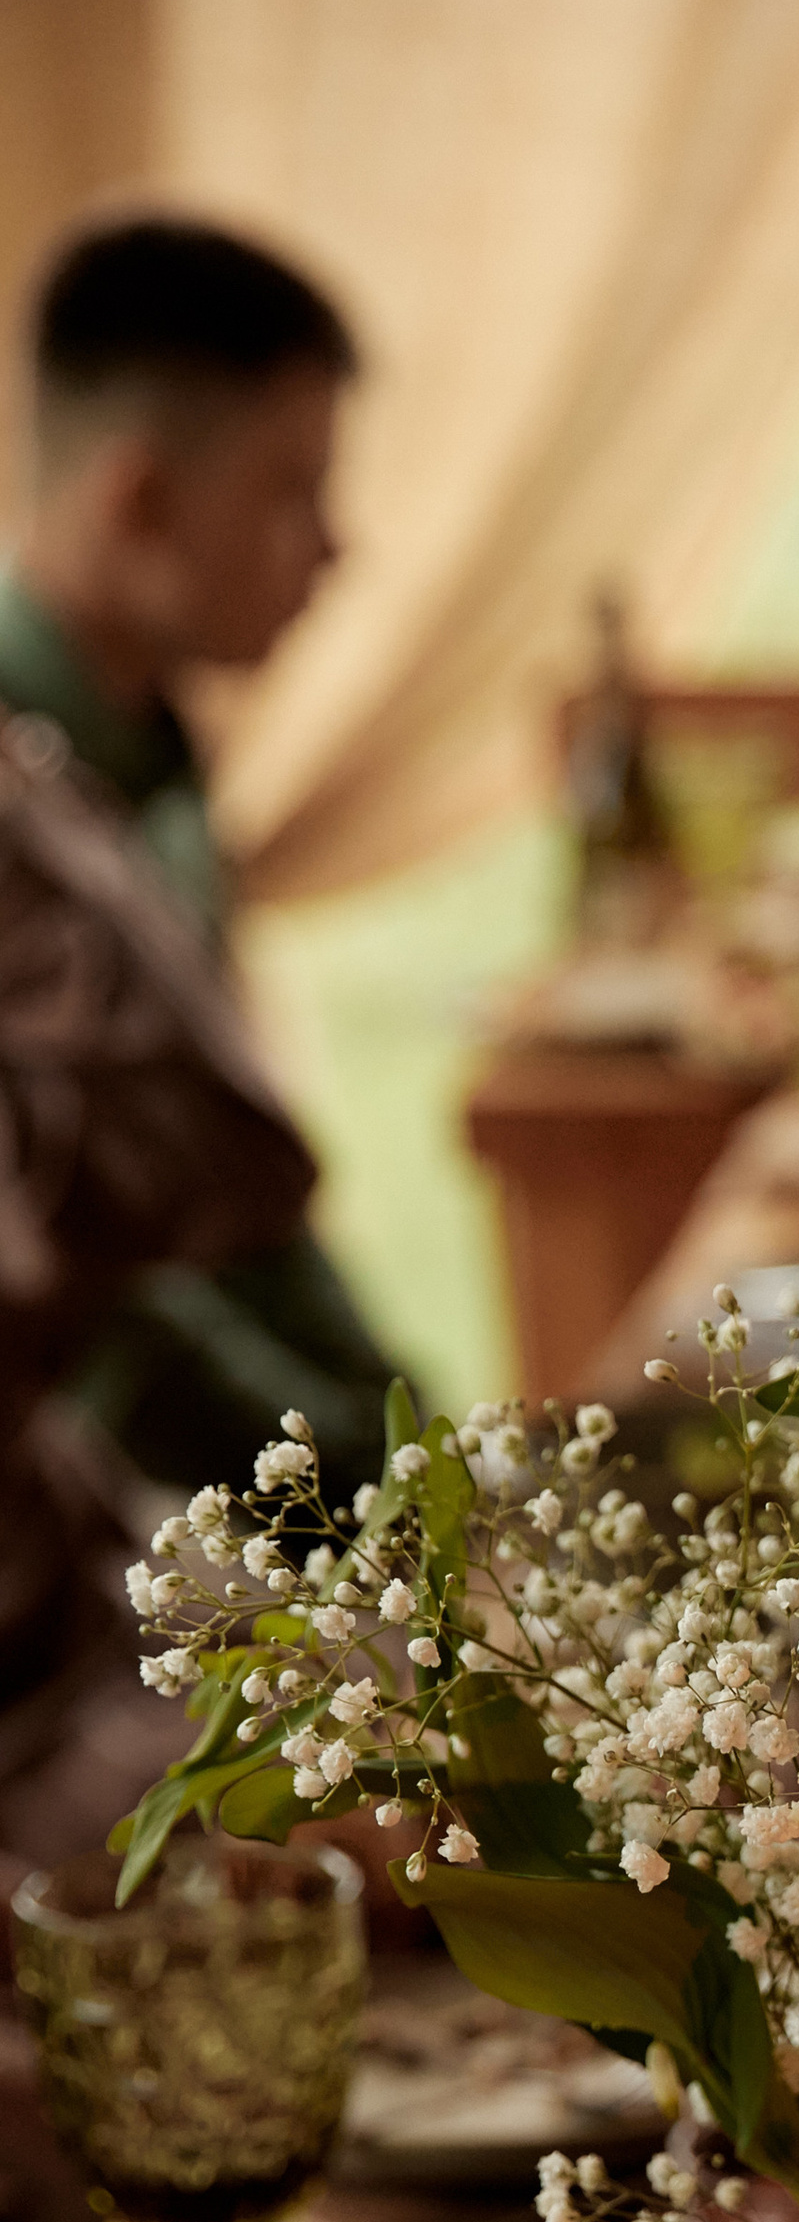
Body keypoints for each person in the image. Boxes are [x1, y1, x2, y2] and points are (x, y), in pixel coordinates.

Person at [1, 213, 395, 1508]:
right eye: (293, 492)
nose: (333, 548)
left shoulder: (151, 760)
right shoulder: (22, 819)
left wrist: (422, 1437)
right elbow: (98, 1316)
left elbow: (237, 1221)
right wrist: (374, 1497)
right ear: (142, 500)